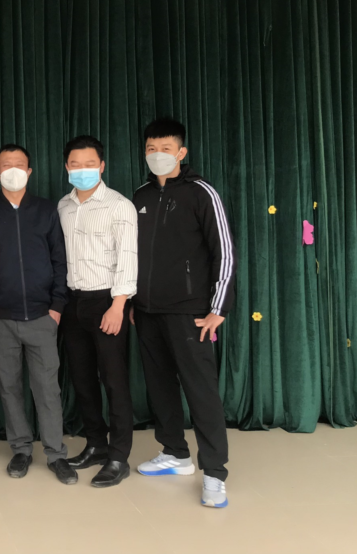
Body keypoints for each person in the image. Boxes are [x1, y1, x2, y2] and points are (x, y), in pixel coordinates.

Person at [131, 117, 235, 509]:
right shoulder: (140, 195)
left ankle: (215, 474)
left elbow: (224, 251)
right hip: (146, 311)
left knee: (201, 392)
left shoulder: (201, 192)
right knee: (159, 386)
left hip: (190, 313)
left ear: (181, 152)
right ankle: (175, 453)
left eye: (166, 148)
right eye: (151, 149)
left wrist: (218, 308)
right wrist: (132, 301)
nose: (158, 155)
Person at [0, 144, 76, 485]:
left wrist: (56, 307)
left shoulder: (47, 210)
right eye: (5, 165)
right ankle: (20, 449)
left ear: (30, 171)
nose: (12, 170)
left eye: (19, 165)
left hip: (41, 316)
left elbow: (60, 260)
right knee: (9, 387)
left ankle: (56, 453)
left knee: (47, 388)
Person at [57, 135, 138, 488]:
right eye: (75, 164)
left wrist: (119, 305)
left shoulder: (119, 206)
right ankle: (96, 444)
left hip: (107, 300)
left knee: (114, 380)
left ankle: (119, 456)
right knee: (83, 379)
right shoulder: (63, 205)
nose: (82, 170)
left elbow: (128, 258)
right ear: (66, 167)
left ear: (102, 166)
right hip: (72, 301)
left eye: (90, 164)